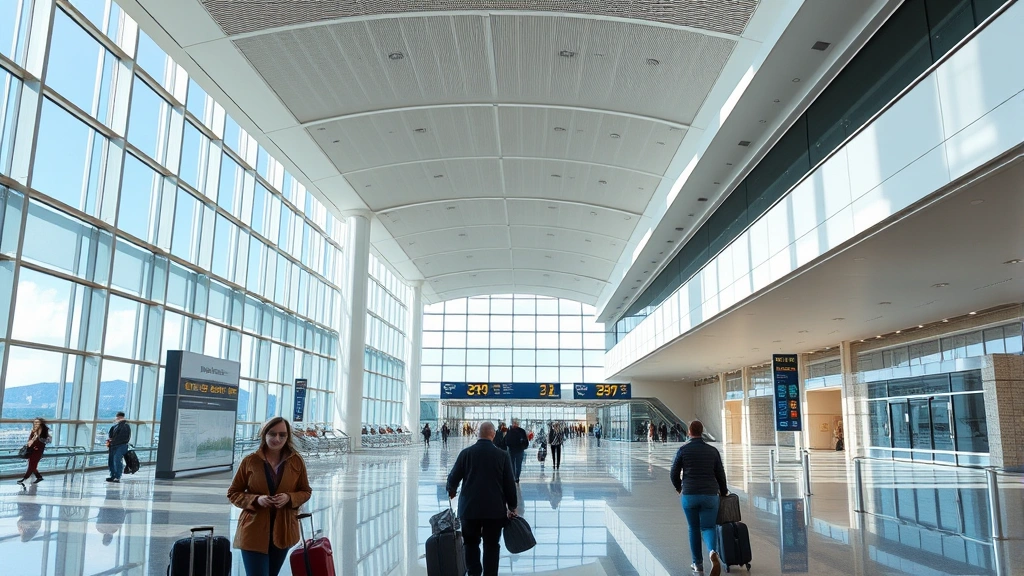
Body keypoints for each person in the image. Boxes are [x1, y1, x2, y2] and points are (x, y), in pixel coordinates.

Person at [228, 417, 312, 576]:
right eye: (272, 434)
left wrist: (289, 497)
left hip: (283, 531)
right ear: (264, 434)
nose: (277, 439)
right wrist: (256, 499)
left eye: (282, 435)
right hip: (253, 530)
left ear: (288, 437)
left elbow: (305, 491)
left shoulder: (296, 461)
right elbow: (233, 493)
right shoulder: (250, 461)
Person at [446, 422, 518, 576]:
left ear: (477, 434)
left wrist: (451, 490)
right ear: (493, 434)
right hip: (495, 511)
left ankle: (474, 573)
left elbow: (452, 479)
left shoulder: (466, 454)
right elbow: (509, 485)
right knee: (492, 545)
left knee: (470, 544)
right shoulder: (502, 455)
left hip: (469, 509)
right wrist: (512, 507)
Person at [670, 420, 728, 576]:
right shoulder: (712, 451)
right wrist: (723, 491)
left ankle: (697, 564)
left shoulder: (683, 450)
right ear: (701, 432)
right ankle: (712, 552)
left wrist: (679, 488)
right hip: (710, 495)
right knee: (708, 527)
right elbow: (720, 474)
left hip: (689, 495)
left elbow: (673, 473)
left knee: (693, 528)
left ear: (689, 432)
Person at [18, 418, 52, 485]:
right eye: (35, 422)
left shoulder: (43, 432)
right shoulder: (34, 431)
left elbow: (42, 442)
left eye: (37, 422)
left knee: (32, 465)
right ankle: (39, 477)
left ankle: (24, 479)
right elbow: (30, 441)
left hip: (37, 451)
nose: (36, 424)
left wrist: (35, 439)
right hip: (32, 450)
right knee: (32, 465)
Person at [106, 412, 131, 483]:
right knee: (112, 461)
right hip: (114, 445)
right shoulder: (115, 426)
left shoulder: (125, 426)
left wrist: (112, 441)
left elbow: (123, 437)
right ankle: (113, 475)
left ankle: (117, 476)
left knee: (117, 460)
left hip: (120, 445)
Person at [505, 419, 530, 483]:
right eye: (514, 423)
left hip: (519, 450)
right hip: (513, 450)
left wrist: (523, 446)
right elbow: (507, 440)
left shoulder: (521, 431)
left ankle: (517, 477)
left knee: (518, 464)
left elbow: (526, 441)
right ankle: (514, 477)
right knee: (513, 464)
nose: (515, 424)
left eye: (516, 423)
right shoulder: (510, 431)